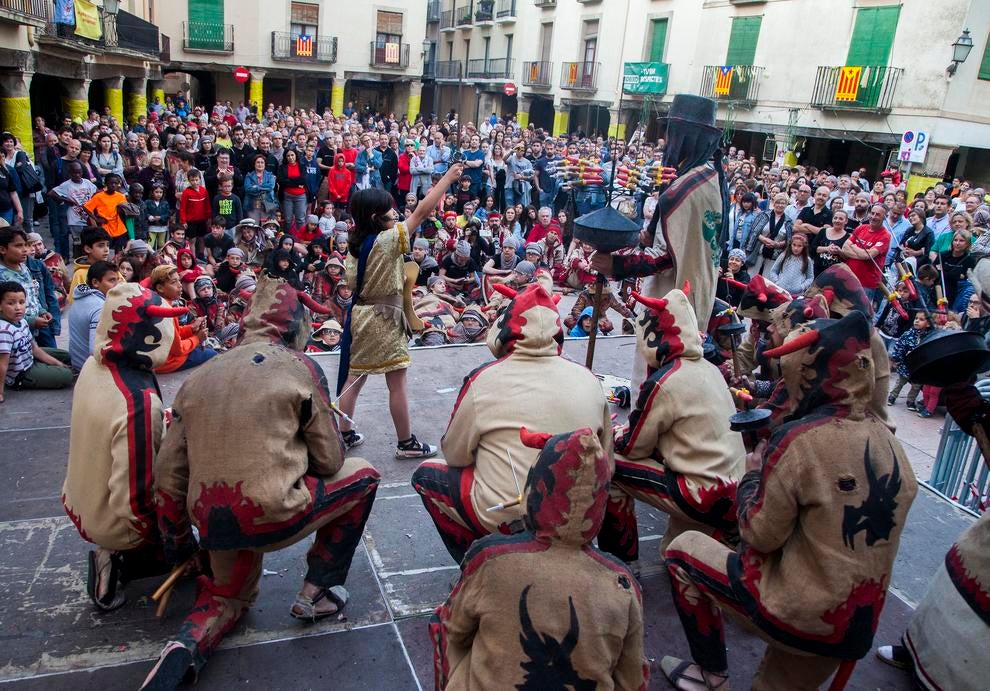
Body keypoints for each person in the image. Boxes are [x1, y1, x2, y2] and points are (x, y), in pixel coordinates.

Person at [143, 274, 381, 690]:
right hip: (272, 512)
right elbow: (328, 461)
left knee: (225, 597)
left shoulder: (198, 378)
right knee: (362, 476)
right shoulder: (298, 366)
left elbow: (168, 476)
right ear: (295, 329)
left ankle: (184, 647)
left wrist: (180, 544)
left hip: (214, 520)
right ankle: (317, 592)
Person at [660, 311, 917, 691]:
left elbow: (759, 533)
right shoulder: (893, 444)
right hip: (856, 622)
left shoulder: (801, 440)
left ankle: (710, 673)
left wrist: (751, 476)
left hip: (800, 611)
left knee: (683, 550)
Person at [429, 427, 647, 690]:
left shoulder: (491, 560)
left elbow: (450, 628)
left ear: (534, 489)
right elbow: (633, 679)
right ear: (601, 502)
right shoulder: (622, 585)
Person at [411, 278, 611, 563]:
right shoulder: (589, 378)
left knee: (427, 475)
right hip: (578, 510)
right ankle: (623, 564)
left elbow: (455, 455)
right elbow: (607, 461)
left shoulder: (484, 379)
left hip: (509, 516)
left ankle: (479, 566)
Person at [598, 288, 745, 566]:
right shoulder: (711, 369)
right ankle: (707, 537)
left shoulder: (667, 380)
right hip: (735, 488)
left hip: (703, 493)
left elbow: (633, 446)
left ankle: (623, 565)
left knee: (613, 465)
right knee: (672, 553)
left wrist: (616, 435)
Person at [62, 282, 185, 610]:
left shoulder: (93, 365)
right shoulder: (138, 403)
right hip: (116, 521)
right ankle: (121, 560)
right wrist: (169, 537)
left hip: (80, 499)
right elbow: (135, 500)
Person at [336, 162, 465, 458]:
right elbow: (421, 212)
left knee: (355, 377)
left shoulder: (356, 247)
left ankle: (342, 433)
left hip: (361, 317)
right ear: (375, 217)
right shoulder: (387, 241)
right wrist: (447, 178)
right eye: (391, 210)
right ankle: (406, 443)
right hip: (383, 320)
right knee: (397, 382)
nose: (396, 213)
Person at [0, 280, 72, 402]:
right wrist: (0, 392)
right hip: (22, 373)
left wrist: (57, 363)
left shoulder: (22, 321)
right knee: (67, 376)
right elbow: (2, 364)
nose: (18, 307)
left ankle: (50, 367)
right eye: (11, 303)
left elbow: (34, 349)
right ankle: (22, 381)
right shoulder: (4, 330)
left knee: (66, 356)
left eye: (21, 302)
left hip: (29, 357)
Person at [149, 265, 217, 373]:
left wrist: (192, 327)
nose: (180, 285)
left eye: (179, 281)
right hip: (167, 362)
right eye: (173, 282)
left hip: (160, 357)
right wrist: (197, 338)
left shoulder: (159, 304)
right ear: (160, 288)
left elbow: (173, 334)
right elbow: (178, 349)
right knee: (213, 354)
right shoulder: (166, 311)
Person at [68, 260, 118, 371]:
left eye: (117, 280)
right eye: (112, 280)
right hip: (89, 369)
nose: (117, 285)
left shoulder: (80, 298)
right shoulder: (100, 307)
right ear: (95, 282)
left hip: (77, 362)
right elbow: (94, 350)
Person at [841, 204, 891, 299]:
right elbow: (844, 248)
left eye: (877, 215)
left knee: (860, 313)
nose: (873, 217)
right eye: (872, 213)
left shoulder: (885, 236)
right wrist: (862, 253)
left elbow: (869, 255)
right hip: (848, 278)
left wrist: (853, 246)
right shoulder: (861, 228)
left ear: (884, 218)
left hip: (866, 284)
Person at [887, 310, 933, 413]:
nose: (917, 321)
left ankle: (910, 401)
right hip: (905, 365)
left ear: (928, 323)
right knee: (900, 382)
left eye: (921, 319)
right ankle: (892, 396)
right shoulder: (908, 334)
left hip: (919, 368)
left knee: (916, 386)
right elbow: (899, 346)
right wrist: (897, 359)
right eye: (916, 318)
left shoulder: (929, 337)